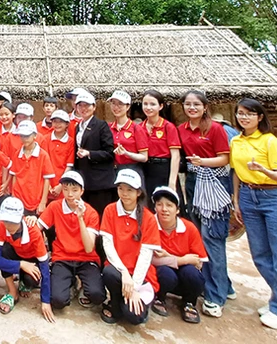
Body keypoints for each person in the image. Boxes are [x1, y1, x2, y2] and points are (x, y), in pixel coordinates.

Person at [231, 98, 277, 331]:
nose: (244, 117)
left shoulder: (271, 142)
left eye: (249, 114)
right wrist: (236, 200)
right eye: (241, 113)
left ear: (260, 117)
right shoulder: (236, 141)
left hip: (273, 197)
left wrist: (263, 170)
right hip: (248, 196)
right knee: (260, 253)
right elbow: (237, 172)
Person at [178, 89, 233, 318]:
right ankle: (223, 286)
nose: (192, 108)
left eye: (196, 104)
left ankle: (215, 295)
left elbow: (225, 158)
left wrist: (204, 162)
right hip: (193, 182)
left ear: (205, 107)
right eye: (188, 104)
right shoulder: (182, 129)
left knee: (213, 238)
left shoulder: (215, 129)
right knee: (200, 237)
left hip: (214, 181)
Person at [34, 171, 106, 316]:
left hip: (86, 259)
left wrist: (80, 218)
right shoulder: (55, 206)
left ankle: (82, 284)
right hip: (62, 257)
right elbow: (37, 227)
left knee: (97, 295)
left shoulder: (91, 213)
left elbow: (88, 248)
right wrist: (31, 221)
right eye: (65, 189)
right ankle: (71, 282)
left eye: (74, 190)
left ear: (82, 191)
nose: (70, 194)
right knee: (58, 300)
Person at [100, 169, 160, 326]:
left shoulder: (148, 218)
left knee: (135, 317)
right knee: (109, 273)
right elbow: (108, 245)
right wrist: (124, 272)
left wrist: (134, 286)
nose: (124, 193)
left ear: (138, 192)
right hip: (118, 270)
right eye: (121, 188)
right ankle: (115, 302)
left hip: (140, 275)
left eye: (130, 190)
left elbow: (146, 256)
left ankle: (126, 301)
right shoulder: (110, 210)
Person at [0, 196, 52, 321]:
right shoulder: (1, 225)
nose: (9, 226)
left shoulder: (33, 231)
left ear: (21, 217)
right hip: (17, 256)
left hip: (33, 260)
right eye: (6, 221)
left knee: (31, 279)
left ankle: (24, 282)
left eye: (13, 222)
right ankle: (12, 292)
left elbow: (44, 266)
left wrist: (45, 301)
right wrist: (21, 264)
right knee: (4, 250)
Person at [151, 186, 207, 324]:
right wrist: (182, 259)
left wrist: (168, 257)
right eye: (159, 204)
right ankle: (160, 297)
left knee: (193, 275)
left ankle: (189, 302)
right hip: (162, 274)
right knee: (165, 273)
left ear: (177, 209)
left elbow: (198, 262)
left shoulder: (189, 228)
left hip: (183, 275)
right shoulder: (150, 225)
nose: (164, 209)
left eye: (169, 205)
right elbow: (151, 260)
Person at [72, 91, 116, 215]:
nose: (83, 108)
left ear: (94, 107)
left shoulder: (101, 125)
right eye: (80, 105)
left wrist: (89, 154)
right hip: (84, 179)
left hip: (99, 181)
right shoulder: (77, 127)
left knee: (100, 215)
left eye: (87, 105)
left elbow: (110, 153)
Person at [139, 90, 181, 201]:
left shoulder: (168, 127)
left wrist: (172, 182)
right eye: (145, 104)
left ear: (161, 106)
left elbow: (175, 156)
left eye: (153, 104)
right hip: (146, 170)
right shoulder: (139, 127)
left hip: (164, 170)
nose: (148, 107)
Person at [9, 121, 54, 216]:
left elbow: (47, 179)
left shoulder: (43, 155)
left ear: (35, 136)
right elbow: (15, 176)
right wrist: (13, 196)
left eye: (27, 136)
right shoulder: (17, 154)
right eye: (22, 136)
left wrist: (43, 202)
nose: (24, 139)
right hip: (19, 198)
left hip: (35, 200)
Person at [108, 90, 148, 180]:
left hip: (131, 170)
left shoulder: (136, 128)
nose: (116, 107)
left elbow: (144, 157)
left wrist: (126, 153)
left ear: (128, 106)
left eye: (120, 104)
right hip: (112, 170)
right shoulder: (108, 127)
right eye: (113, 103)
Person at [40, 109, 75, 202]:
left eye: (61, 122)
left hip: (62, 184)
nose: (57, 124)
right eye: (55, 121)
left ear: (67, 124)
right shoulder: (45, 139)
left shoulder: (71, 142)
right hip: (46, 183)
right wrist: (47, 185)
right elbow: (42, 164)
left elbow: (69, 166)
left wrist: (61, 185)